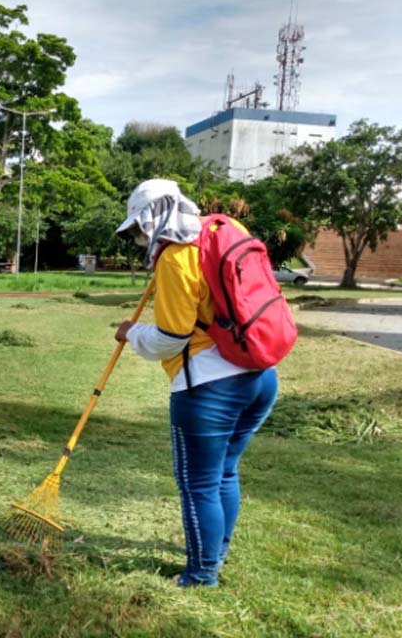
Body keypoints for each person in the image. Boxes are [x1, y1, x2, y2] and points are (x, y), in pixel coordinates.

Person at [112, 179, 279, 588]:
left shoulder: (175, 258)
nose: (139, 238)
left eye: (138, 230)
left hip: (209, 387)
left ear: (152, 219)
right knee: (224, 472)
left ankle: (202, 574)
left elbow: (171, 337)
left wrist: (130, 333)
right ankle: (215, 553)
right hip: (260, 376)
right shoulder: (225, 230)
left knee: (199, 483)